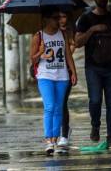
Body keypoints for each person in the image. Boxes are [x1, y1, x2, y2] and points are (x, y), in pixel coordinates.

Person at [75, 0, 111, 149]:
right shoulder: (85, 19)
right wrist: (93, 30)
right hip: (93, 68)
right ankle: (95, 125)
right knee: (95, 100)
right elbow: (77, 42)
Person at [30, 8, 77, 155]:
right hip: (45, 76)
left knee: (58, 108)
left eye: (59, 18)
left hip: (62, 76)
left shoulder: (63, 34)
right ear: (46, 19)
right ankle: (48, 140)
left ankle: (55, 139)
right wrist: (40, 52)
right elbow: (32, 59)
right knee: (49, 107)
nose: (59, 20)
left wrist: (73, 72)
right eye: (55, 18)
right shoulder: (38, 36)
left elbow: (68, 55)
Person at [57, 11, 76, 148]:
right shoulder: (47, 32)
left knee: (62, 102)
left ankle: (64, 134)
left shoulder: (69, 32)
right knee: (54, 104)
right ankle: (62, 130)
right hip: (51, 73)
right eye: (58, 17)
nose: (62, 20)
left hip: (66, 72)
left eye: (64, 16)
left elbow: (71, 51)